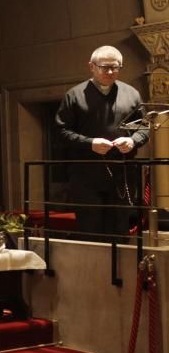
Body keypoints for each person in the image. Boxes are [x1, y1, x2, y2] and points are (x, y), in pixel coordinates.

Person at [55, 45, 149, 242]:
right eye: (104, 67)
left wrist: (132, 141)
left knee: (120, 230)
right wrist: (90, 143)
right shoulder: (74, 95)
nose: (110, 72)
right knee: (91, 231)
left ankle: (121, 274)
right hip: (86, 175)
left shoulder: (132, 94)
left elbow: (145, 128)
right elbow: (61, 132)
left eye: (115, 67)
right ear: (91, 66)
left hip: (122, 174)